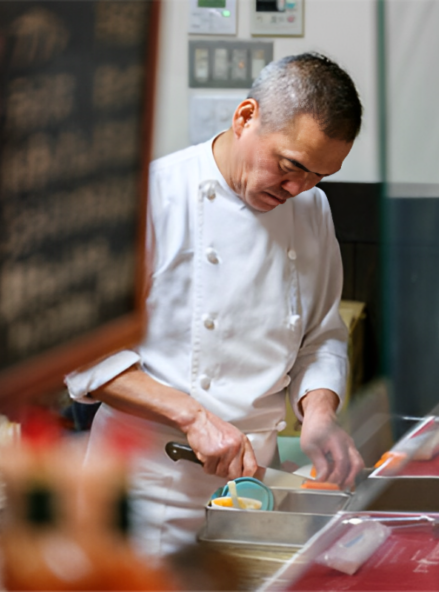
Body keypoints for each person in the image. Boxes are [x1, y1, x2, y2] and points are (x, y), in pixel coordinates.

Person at [65, 52, 365, 555]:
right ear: (245, 117)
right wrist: (194, 417)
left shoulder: (311, 208)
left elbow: (322, 333)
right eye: (290, 166)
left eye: (319, 176)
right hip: (146, 490)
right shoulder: (153, 195)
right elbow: (84, 354)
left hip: (252, 491)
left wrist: (318, 413)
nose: (298, 189)